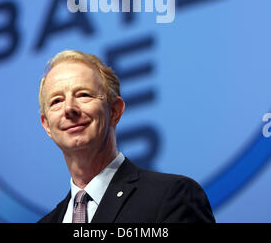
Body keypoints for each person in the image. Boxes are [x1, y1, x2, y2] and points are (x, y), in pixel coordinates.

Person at [37, 49, 215, 223]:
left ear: (114, 111)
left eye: (83, 94)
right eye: (57, 101)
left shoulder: (171, 196)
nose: (69, 109)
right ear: (47, 125)